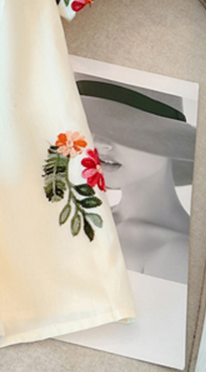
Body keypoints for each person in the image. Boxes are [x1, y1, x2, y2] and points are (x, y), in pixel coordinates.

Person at [76, 76, 196, 285]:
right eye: (91, 125)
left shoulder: (176, 252)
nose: (99, 143)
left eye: (124, 129)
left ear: (170, 140)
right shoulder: (90, 217)